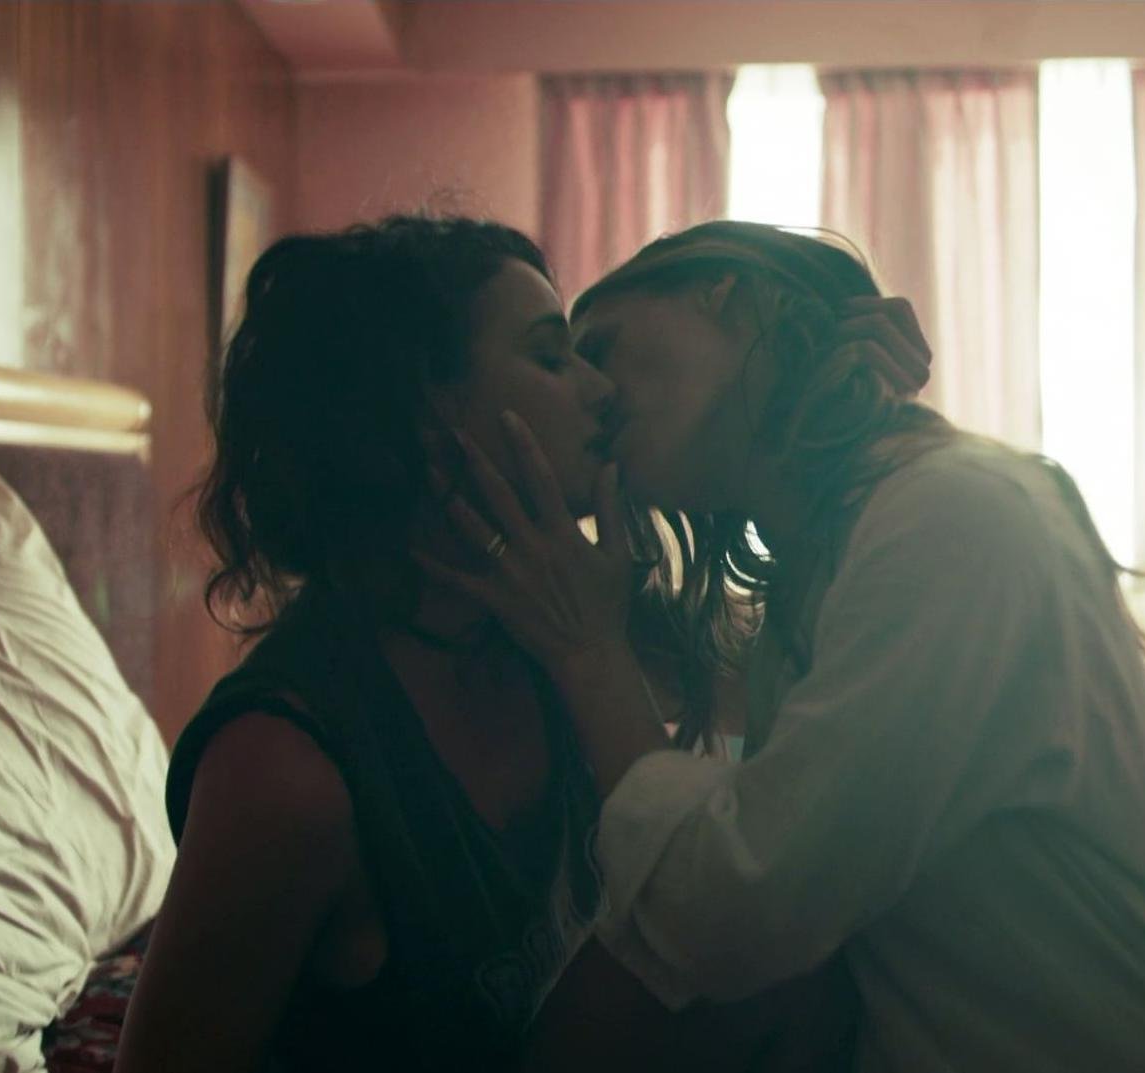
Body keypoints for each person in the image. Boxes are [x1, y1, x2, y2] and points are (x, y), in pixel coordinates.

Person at [423, 220, 1145, 1071]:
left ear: (730, 298)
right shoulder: (825, 570)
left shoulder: (951, 514)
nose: (592, 393)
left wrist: (590, 656)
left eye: (600, 349)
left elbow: (737, 909)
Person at [113, 216, 869, 1073]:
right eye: (551, 357)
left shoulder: (547, 625)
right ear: (419, 416)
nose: (601, 390)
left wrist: (845, 414)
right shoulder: (286, 769)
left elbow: (826, 712)